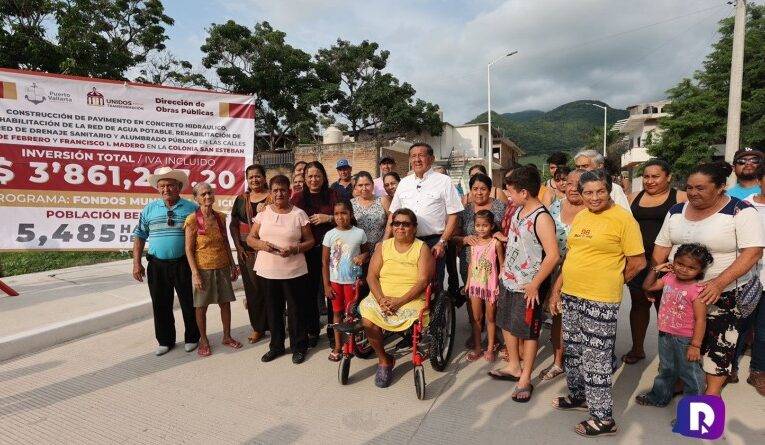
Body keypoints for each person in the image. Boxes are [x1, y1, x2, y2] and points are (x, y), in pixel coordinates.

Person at [652, 161, 764, 397]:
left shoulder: (740, 211)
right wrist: (661, 276)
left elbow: (753, 252)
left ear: (721, 187)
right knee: (685, 343)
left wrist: (718, 283)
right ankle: (685, 383)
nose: (693, 193)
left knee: (718, 347)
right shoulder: (676, 211)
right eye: (690, 187)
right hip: (682, 294)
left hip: (724, 294)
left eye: (701, 188)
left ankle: (710, 398)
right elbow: (661, 247)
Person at [549, 169, 646, 437]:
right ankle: (579, 397)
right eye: (588, 192)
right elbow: (571, 257)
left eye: (600, 191)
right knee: (574, 352)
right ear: (580, 194)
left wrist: (613, 280)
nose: (594, 197)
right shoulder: (581, 216)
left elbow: (638, 262)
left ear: (609, 190)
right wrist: (557, 290)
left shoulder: (623, 220)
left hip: (600, 299)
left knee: (596, 359)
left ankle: (604, 419)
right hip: (571, 295)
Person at [489, 166, 560, 405]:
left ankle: (525, 378)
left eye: (510, 192)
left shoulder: (542, 217)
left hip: (529, 286)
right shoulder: (519, 211)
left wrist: (535, 284)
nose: (508, 196)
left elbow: (552, 255)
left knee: (529, 332)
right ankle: (513, 366)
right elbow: (523, 241)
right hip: (510, 280)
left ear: (525, 192)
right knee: (507, 324)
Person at [360, 209, 435, 388]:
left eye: (406, 224)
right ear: (392, 226)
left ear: (414, 228)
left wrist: (399, 301)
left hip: (410, 298)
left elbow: (424, 281)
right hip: (382, 296)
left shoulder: (421, 248)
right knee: (367, 322)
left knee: (412, 315)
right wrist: (381, 299)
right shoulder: (383, 246)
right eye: (396, 223)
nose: (400, 227)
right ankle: (384, 360)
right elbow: (371, 276)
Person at [622, 159, 687, 365]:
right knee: (638, 305)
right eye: (647, 177)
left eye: (655, 176)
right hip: (639, 262)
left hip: (669, 266)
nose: (650, 181)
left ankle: (669, 359)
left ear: (668, 177)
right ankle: (637, 348)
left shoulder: (681, 198)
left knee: (666, 310)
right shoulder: (632, 198)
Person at [247, 175, 315, 364]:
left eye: (283, 189)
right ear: (270, 192)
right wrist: (262, 244)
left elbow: (310, 241)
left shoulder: (299, 214)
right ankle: (276, 347)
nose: (279, 193)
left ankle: (299, 346)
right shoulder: (263, 214)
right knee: (273, 309)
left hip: (294, 271)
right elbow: (250, 238)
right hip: (267, 271)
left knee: (295, 310)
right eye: (275, 190)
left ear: (290, 191)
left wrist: (295, 248)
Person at [132, 167, 200, 356]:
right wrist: (136, 263)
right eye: (162, 186)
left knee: (189, 302)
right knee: (160, 303)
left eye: (170, 185)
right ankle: (165, 340)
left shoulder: (192, 208)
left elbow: (201, 237)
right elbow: (139, 235)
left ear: (178, 187)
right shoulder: (149, 209)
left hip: (184, 264)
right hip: (157, 265)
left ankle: (193, 338)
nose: (166, 189)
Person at [635, 243, 712, 407]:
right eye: (680, 264)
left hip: (686, 340)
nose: (684, 269)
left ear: (700, 270)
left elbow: (701, 320)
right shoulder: (668, 278)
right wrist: (657, 269)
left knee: (691, 374)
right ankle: (659, 397)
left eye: (691, 267)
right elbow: (647, 286)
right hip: (665, 334)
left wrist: (695, 345)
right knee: (666, 369)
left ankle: (693, 413)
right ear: (673, 262)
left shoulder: (697, 290)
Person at [388, 142, 464, 286]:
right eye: (413, 156)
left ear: (432, 159)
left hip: (433, 243)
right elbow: (393, 214)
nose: (417, 160)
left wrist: (442, 242)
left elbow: (454, 214)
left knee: (433, 284)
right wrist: (385, 240)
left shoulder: (444, 181)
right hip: (407, 242)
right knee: (408, 282)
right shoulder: (404, 183)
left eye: (421, 155)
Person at [537, 168, 586, 381]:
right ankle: (558, 362)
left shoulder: (593, 210)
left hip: (584, 273)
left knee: (584, 322)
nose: (574, 187)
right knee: (558, 316)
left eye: (580, 183)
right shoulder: (554, 207)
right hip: (556, 271)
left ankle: (584, 365)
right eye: (569, 182)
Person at [185, 182, 241, 357]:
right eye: (203, 194)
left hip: (222, 266)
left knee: (225, 303)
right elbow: (188, 249)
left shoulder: (220, 217)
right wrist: (195, 273)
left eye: (209, 193)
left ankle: (227, 336)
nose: (207, 197)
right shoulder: (192, 219)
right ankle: (204, 340)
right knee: (201, 306)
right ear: (196, 199)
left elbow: (225, 242)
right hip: (203, 268)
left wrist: (233, 265)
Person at [454, 173, 505, 347]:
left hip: (493, 260)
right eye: (475, 189)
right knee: (472, 298)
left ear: (490, 190)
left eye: (483, 189)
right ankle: (475, 331)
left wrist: (500, 234)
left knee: (493, 300)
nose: (479, 192)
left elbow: (507, 229)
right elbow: (454, 235)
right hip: (470, 260)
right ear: (470, 191)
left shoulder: (499, 206)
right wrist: (464, 239)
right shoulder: (465, 209)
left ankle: (494, 336)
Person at [292, 161, 338, 346]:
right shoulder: (297, 198)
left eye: (317, 175)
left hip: (333, 251)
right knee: (309, 293)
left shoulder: (333, 195)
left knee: (331, 291)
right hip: (308, 252)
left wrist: (329, 218)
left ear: (323, 177)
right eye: (309, 176)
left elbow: (348, 216)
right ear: (304, 178)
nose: (313, 179)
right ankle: (312, 329)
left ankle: (333, 329)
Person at [323, 201, 370, 361]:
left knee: (351, 314)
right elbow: (324, 263)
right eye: (336, 214)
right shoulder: (329, 235)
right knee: (337, 313)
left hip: (352, 282)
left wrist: (363, 262)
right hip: (335, 282)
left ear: (350, 214)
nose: (340, 217)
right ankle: (337, 346)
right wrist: (326, 285)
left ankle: (350, 345)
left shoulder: (359, 233)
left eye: (343, 213)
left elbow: (366, 254)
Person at [229, 164, 270, 344]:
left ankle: (275, 325)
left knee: (270, 289)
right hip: (247, 253)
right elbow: (233, 225)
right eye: (251, 177)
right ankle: (258, 328)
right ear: (247, 179)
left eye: (258, 176)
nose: (255, 179)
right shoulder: (240, 199)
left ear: (264, 177)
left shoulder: (272, 197)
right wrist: (238, 247)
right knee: (253, 292)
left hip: (269, 251)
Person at [464, 210, 504, 362]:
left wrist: (499, 284)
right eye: (478, 225)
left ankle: (490, 348)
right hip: (475, 286)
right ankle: (478, 348)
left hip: (490, 286)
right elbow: (471, 264)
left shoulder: (496, 244)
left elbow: (502, 265)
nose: (481, 229)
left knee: (491, 318)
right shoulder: (473, 244)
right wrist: (468, 282)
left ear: (492, 226)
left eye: (485, 225)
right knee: (476, 318)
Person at [741, 169, 765, 396]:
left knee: (763, 329)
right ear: (759, 181)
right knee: (739, 324)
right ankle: (727, 366)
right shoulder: (745, 206)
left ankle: (758, 370)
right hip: (746, 277)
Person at [351, 171, 390, 247]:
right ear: (355, 187)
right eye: (360, 185)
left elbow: (392, 222)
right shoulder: (351, 204)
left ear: (372, 185)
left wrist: (383, 242)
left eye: (367, 184)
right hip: (358, 250)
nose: (364, 188)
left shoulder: (383, 200)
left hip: (380, 247)